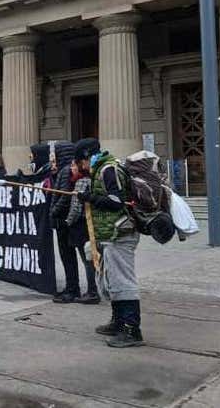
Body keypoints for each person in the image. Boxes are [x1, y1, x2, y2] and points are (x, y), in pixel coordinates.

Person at [75, 138, 143, 347]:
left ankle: (132, 330)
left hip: (120, 235)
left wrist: (90, 198)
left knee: (123, 281)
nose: (80, 167)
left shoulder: (108, 170)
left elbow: (116, 202)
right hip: (110, 235)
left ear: (86, 158)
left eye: (80, 162)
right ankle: (118, 322)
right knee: (112, 281)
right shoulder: (102, 170)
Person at [50, 141, 99, 304]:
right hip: (72, 222)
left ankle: (79, 289)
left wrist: (54, 213)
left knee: (78, 258)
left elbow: (66, 197)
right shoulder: (72, 171)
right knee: (83, 257)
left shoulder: (67, 172)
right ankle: (82, 289)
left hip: (70, 223)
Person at [64, 159, 99, 303]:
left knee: (87, 260)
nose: (71, 168)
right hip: (88, 224)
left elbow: (76, 207)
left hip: (81, 226)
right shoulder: (91, 180)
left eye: (73, 165)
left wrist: (68, 221)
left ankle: (92, 291)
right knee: (91, 258)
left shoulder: (81, 182)